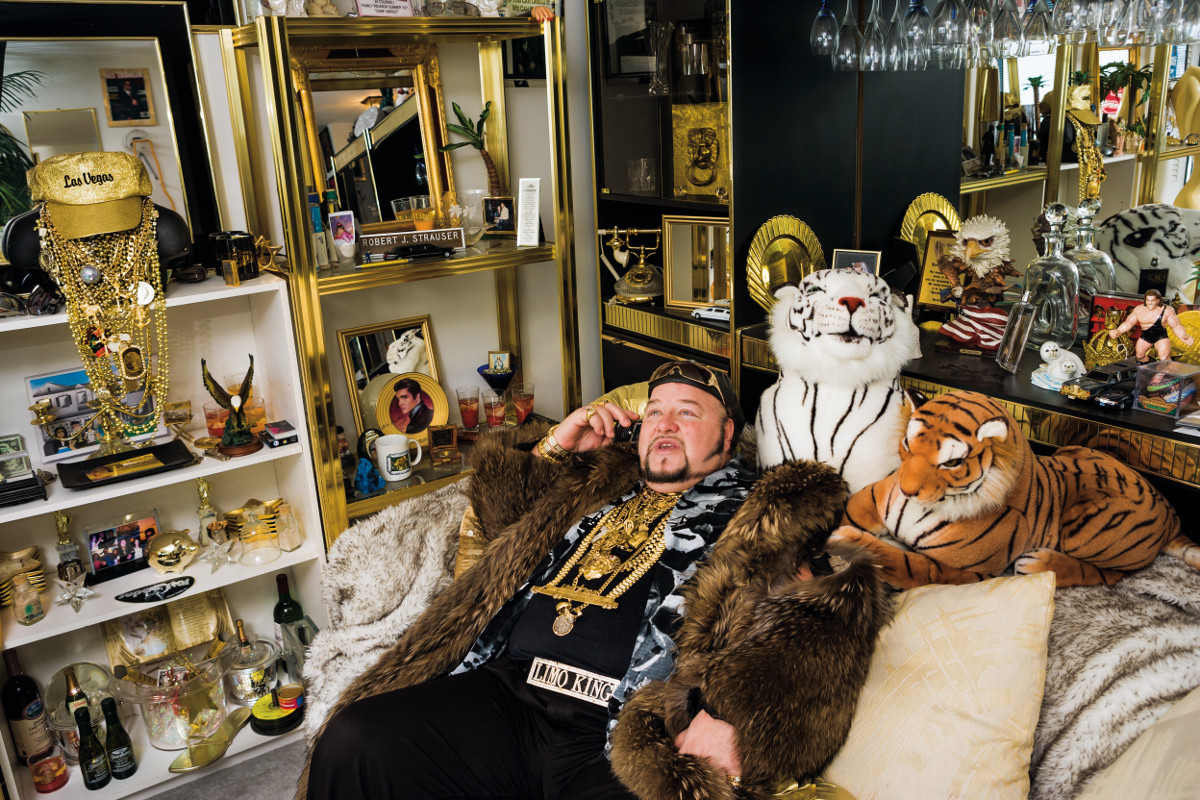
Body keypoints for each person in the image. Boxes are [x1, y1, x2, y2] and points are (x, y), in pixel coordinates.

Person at [301, 360, 885, 800]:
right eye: (655, 410)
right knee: (355, 739)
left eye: (688, 412)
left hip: (617, 731)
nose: (665, 424)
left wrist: (735, 718)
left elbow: (817, 630)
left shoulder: (761, 517)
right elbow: (504, 533)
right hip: (509, 694)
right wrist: (557, 449)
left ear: (728, 437)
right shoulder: (599, 485)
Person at [1110, 288, 1196, 362]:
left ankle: (1169, 372)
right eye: (1148, 300)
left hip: (1160, 336)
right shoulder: (1139, 310)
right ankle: (1147, 367)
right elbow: (1128, 323)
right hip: (1146, 336)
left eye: (1153, 300)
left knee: (1163, 358)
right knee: (1139, 356)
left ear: (1158, 300)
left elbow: (1176, 326)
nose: (1150, 303)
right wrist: (1118, 331)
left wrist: (1184, 336)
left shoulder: (1167, 310)